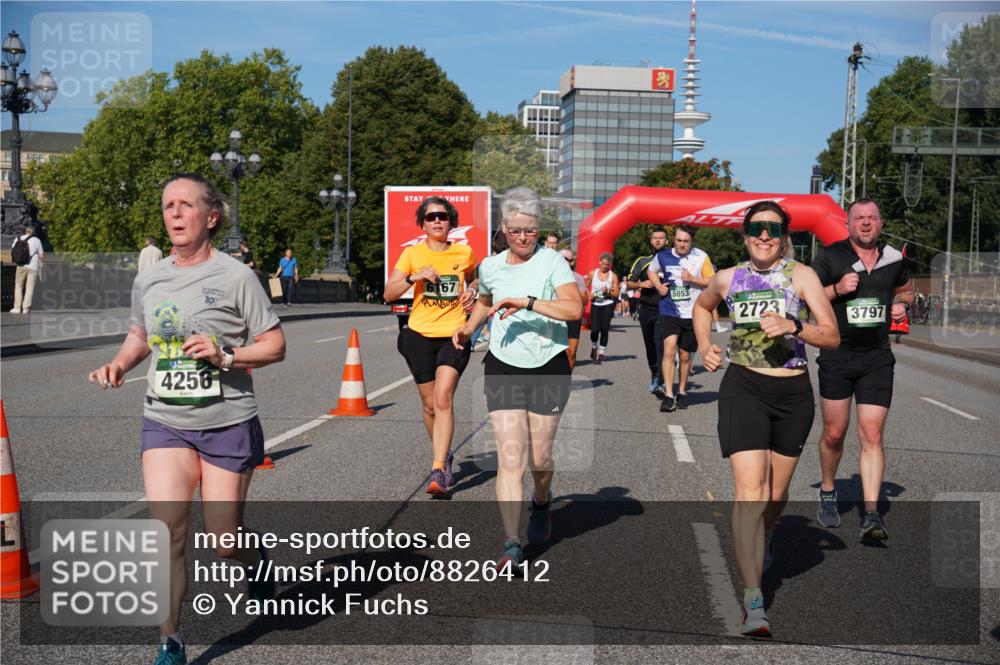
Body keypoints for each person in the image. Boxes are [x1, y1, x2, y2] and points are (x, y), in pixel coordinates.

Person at [88, 173, 286, 665]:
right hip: (165, 420)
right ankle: (170, 640)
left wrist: (225, 356)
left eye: (185, 205)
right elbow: (140, 335)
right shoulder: (149, 277)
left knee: (223, 542)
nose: (174, 214)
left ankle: (251, 558)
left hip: (227, 422)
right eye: (167, 206)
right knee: (168, 532)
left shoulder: (237, 276)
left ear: (211, 217)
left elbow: (275, 346)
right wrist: (118, 363)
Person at [693, 200, 839, 638]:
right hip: (744, 388)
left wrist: (794, 327)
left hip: (792, 392)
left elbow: (830, 336)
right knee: (750, 492)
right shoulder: (727, 278)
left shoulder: (802, 276)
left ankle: (767, 535)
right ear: (744, 235)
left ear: (783, 237)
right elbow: (703, 307)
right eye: (756, 228)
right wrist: (705, 345)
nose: (764, 236)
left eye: (773, 230)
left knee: (775, 496)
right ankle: (754, 600)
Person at [452, 187, 582, 567]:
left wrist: (527, 301)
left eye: (531, 231)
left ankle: (541, 500)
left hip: (548, 365)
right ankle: (512, 542)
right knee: (511, 457)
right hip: (503, 363)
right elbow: (486, 301)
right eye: (516, 230)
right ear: (504, 227)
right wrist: (468, 328)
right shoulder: (491, 266)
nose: (524, 238)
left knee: (540, 457)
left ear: (539, 229)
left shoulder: (553, 262)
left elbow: (574, 309)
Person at [810, 198, 912, 540]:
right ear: (848, 223)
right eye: (859, 218)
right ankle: (827, 490)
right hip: (838, 354)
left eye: (872, 218)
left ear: (881, 223)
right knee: (835, 434)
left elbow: (907, 290)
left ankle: (871, 514)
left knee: (871, 435)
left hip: (877, 357)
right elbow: (809, 298)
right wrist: (837, 289)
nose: (866, 223)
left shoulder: (894, 258)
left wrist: (900, 304)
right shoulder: (830, 255)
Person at [384, 196, 478, 496]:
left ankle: (438, 468)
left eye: (442, 216)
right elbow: (388, 294)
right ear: (422, 224)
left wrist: (472, 292)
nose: (437, 221)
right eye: (430, 217)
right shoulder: (412, 254)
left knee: (442, 399)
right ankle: (445, 452)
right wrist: (415, 277)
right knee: (428, 405)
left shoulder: (464, 252)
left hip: (454, 334)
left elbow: (476, 281)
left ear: (451, 221)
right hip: (419, 335)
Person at [647, 225, 715, 412]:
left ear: (691, 242)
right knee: (669, 350)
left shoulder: (701, 257)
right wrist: (658, 286)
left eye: (686, 241)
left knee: (685, 356)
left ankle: (682, 391)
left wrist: (694, 279)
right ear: (673, 239)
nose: (681, 245)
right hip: (669, 310)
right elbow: (651, 271)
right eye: (678, 240)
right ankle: (669, 394)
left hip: (693, 312)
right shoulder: (663, 255)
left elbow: (712, 280)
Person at [625, 228, 669, 395]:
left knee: (660, 344)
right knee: (650, 345)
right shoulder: (643, 261)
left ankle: (662, 379)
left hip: (664, 310)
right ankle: (654, 372)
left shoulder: (672, 260)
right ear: (651, 241)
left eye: (661, 238)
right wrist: (641, 285)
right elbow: (630, 282)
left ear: (666, 241)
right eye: (655, 238)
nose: (658, 240)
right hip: (646, 309)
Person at [585, 252, 619, 364]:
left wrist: (608, 291)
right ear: (599, 262)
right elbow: (585, 287)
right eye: (603, 264)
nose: (604, 266)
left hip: (607, 304)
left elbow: (616, 294)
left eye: (607, 265)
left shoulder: (613, 276)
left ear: (609, 265)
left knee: (604, 329)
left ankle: (602, 353)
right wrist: (590, 295)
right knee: (594, 329)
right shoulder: (592, 273)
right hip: (596, 304)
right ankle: (594, 346)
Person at [560, 248, 589, 372]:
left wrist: (572, 289)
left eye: (566, 259)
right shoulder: (548, 275)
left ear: (571, 262)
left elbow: (585, 301)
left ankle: (566, 381)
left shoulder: (578, 278)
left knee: (571, 352)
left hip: (572, 317)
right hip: (555, 316)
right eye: (560, 258)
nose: (562, 261)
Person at [10, 225, 44, 314]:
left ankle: (17, 308)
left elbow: (13, 251)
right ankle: (26, 308)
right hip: (33, 267)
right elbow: (41, 256)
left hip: (21, 265)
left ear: (25, 231)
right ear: (32, 232)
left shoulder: (18, 239)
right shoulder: (37, 240)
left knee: (18, 286)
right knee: (30, 288)